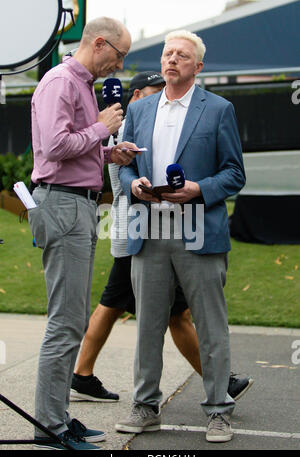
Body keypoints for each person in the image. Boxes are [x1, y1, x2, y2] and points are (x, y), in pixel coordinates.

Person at [70, 72, 253, 405]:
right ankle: (220, 382)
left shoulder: (145, 123)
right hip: (136, 233)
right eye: (155, 92)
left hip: (147, 231)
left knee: (136, 308)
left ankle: (83, 373)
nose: (164, 98)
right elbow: (117, 175)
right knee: (153, 311)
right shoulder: (127, 127)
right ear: (138, 95)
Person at [116, 30, 246, 443]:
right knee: (148, 325)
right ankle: (145, 406)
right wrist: (132, 184)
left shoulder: (219, 109)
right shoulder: (140, 110)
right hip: (148, 229)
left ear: (198, 66)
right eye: (168, 53)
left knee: (210, 325)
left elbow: (234, 173)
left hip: (199, 229)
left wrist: (199, 189)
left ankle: (219, 410)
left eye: (182, 55)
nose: (172, 60)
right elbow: (123, 165)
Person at [28, 17, 139, 451]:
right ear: (99, 43)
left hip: (77, 204)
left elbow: (75, 145)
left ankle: (56, 417)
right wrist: (102, 129)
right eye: (120, 54)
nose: (121, 64)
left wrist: (112, 151)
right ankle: (49, 427)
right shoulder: (60, 81)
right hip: (63, 204)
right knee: (66, 321)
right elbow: (55, 147)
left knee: (71, 319)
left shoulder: (81, 83)